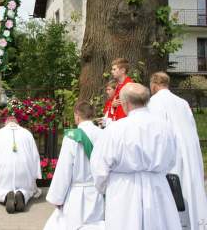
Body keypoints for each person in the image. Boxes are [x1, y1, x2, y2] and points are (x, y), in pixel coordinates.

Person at [90, 83, 181, 230]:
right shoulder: (164, 127)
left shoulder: (115, 129)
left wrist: (106, 187)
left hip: (124, 190)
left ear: (125, 103)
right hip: (157, 187)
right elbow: (171, 160)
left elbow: (99, 166)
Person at [148, 72, 207, 229]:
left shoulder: (154, 102)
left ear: (153, 85)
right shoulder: (182, 102)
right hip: (189, 152)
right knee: (189, 186)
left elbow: (156, 132)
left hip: (171, 154)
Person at [44, 102, 104, 230]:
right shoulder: (104, 135)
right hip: (98, 192)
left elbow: (64, 170)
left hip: (77, 195)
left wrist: (57, 198)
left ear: (77, 115)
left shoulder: (72, 137)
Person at [0, 116, 41, 214]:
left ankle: (6, 196)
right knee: (29, 189)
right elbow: (35, 156)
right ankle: (22, 195)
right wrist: (35, 175)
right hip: (23, 172)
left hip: (4, 172)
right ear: (17, 123)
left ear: (6, 123)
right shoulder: (27, 133)